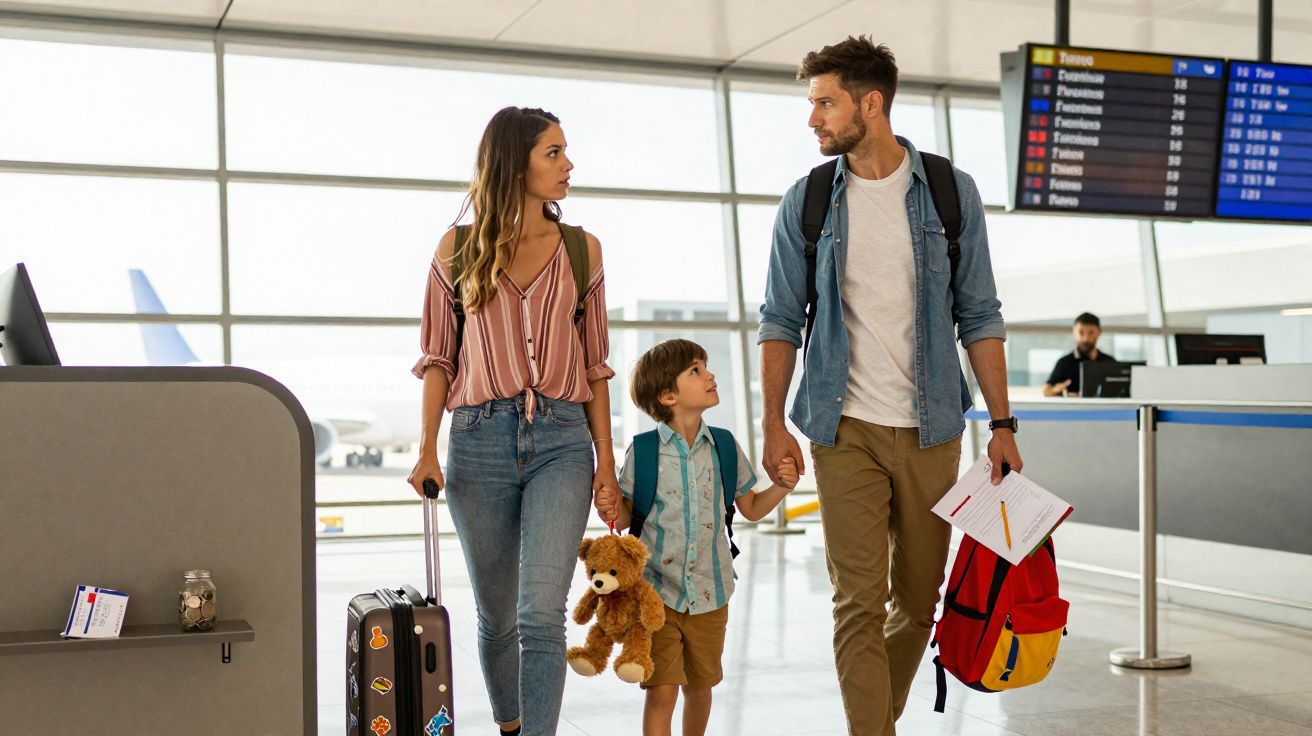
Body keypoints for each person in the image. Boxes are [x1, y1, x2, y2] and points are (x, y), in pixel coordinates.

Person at [756, 37, 1023, 736]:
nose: (813, 119)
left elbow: (981, 313)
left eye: (824, 102)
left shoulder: (948, 193)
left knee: (918, 597)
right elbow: (781, 320)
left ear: (870, 104)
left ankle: (880, 718)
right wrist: (772, 422)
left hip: (935, 429)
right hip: (843, 429)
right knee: (857, 602)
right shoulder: (809, 203)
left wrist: (1002, 424)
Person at [406, 106, 620, 736]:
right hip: (477, 442)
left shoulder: (582, 250)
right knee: (497, 618)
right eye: (553, 152)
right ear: (514, 161)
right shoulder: (458, 249)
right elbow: (438, 358)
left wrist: (605, 463)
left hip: (561, 440)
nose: (568, 164)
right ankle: (508, 725)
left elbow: (595, 367)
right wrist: (426, 450)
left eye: (564, 152)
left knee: (539, 615)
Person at [604, 339, 798, 736]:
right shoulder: (642, 452)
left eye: (705, 366)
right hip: (656, 594)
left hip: (712, 593)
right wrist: (609, 505)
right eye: (695, 370)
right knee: (662, 692)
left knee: (701, 687)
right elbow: (626, 517)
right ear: (668, 395)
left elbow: (751, 508)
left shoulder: (724, 446)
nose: (709, 375)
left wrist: (782, 485)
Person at [1043, 312, 1116, 397]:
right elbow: (1046, 391)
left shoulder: (1110, 362)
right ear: (1074, 332)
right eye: (1081, 332)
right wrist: (1056, 390)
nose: (1085, 338)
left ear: (1099, 332)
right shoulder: (1064, 363)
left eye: (1091, 333)